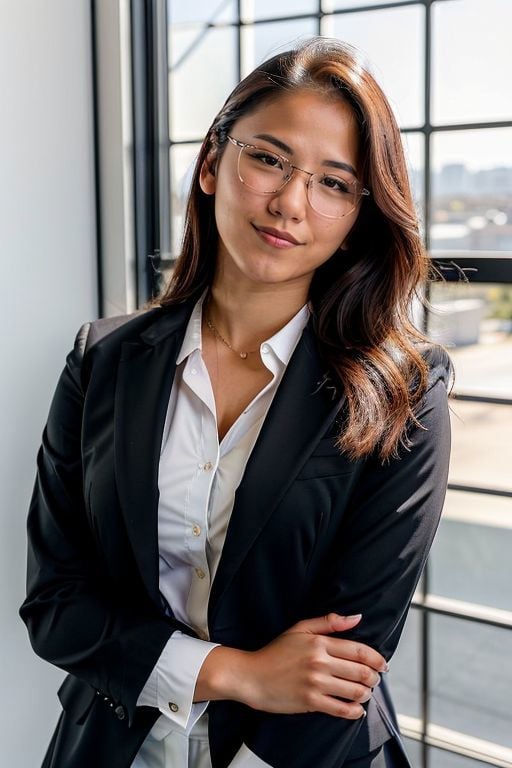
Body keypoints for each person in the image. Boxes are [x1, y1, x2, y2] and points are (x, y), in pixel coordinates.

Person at [20, 37, 451, 768]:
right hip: (114, 744)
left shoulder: (405, 390)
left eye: (334, 184)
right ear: (213, 163)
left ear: (357, 218)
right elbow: (56, 604)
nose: (291, 202)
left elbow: (347, 659)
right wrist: (236, 673)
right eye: (269, 159)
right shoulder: (103, 360)